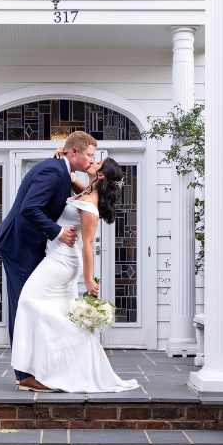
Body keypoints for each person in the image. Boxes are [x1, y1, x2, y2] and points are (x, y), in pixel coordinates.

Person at [10, 156, 139, 393]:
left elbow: (88, 244)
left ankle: (31, 374)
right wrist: (62, 159)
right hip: (57, 258)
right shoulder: (87, 190)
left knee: (28, 301)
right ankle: (44, 371)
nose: (93, 161)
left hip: (61, 261)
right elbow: (70, 178)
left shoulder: (90, 204)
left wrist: (89, 279)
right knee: (58, 312)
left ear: (100, 175)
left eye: (97, 163)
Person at [0, 131, 97, 390]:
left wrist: (77, 176)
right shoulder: (53, 172)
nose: (91, 160)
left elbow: (91, 195)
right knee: (24, 304)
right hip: (20, 246)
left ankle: (40, 364)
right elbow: (29, 208)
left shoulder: (61, 171)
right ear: (74, 152)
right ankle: (24, 375)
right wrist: (58, 231)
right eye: (89, 155)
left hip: (33, 247)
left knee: (34, 304)